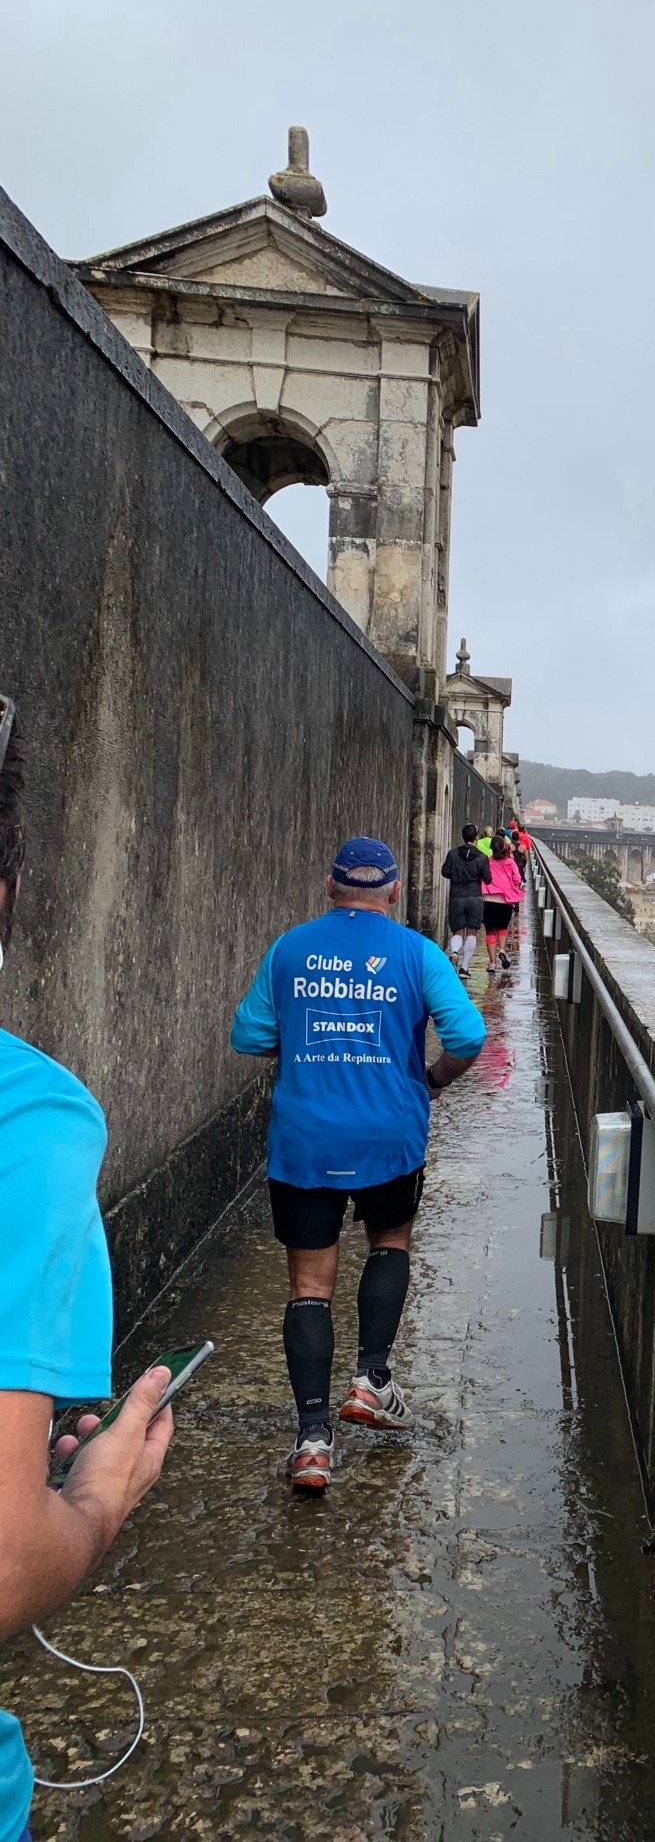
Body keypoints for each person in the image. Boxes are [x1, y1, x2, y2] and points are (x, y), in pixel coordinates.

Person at [0, 697, 175, 1842]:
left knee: (306, 1274)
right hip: (380, 1152)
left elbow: (257, 1033)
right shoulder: (25, 1118)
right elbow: (5, 1564)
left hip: (311, 1144)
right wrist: (94, 1502)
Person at [229, 836, 486, 1491]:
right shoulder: (416, 953)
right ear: (393, 892)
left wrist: (306, 1055)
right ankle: (372, 1379)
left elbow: (250, 1035)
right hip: (388, 1136)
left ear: (329, 885)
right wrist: (431, 1080)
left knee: (309, 1288)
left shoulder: (290, 948)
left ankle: (314, 1442)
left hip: (306, 1138)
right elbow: (468, 1036)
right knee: (390, 1242)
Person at [440, 823, 491, 975]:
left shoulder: (453, 853)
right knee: (472, 932)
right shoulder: (482, 857)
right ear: (476, 838)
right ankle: (464, 967)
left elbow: (445, 871)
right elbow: (488, 879)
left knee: (457, 930)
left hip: (456, 895)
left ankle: (455, 951)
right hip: (475, 896)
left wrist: (457, 875)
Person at [481, 834, 525, 978]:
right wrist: (510, 887)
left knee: (490, 931)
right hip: (505, 901)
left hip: (488, 899)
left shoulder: (487, 861)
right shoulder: (510, 862)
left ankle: (492, 963)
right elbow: (518, 879)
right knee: (502, 929)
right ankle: (502, 950)